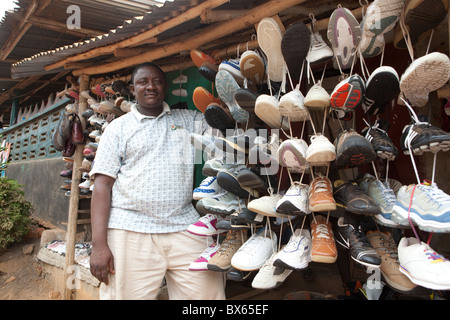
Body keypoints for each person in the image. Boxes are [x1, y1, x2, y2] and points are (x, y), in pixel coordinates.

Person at [89, 62, 226, 300]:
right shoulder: (118, 129)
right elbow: (102, 185)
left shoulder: (188, 119)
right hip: (130, 229)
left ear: (165, 87)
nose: (150, 87)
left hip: (184, 226)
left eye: (156, 81)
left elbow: (223, 131)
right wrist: (99, 245)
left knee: (207, 297)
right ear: (132, 89)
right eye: (143, 82)